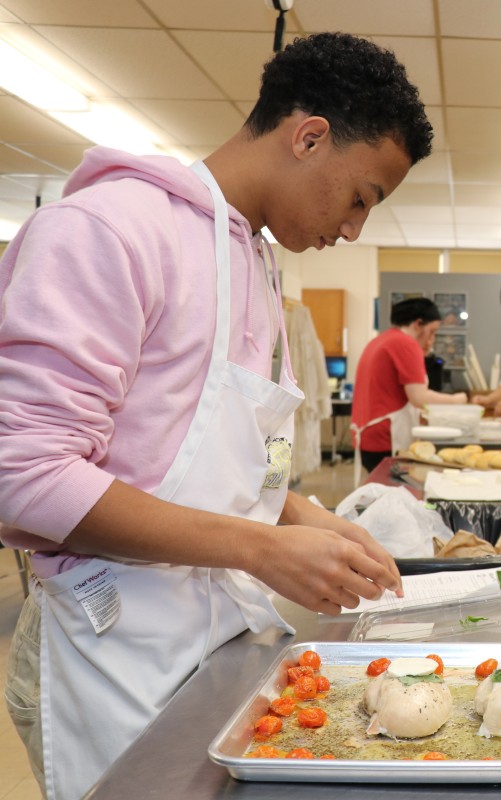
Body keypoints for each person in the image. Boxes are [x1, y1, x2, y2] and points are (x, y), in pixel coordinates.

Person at [0, 32, 428, 799]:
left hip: (208, 635)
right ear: (308, 137)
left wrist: (296, 514)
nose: (355, 227)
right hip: (103, 645)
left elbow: (210, 457)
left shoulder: (254, 266)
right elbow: (23, 476)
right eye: (361, 196)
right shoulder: (108, 230)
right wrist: (260, 547)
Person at [350, 297, 467, 478]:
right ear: (418, 324)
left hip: (368, 437)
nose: (432, 339)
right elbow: (419, 397)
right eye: (432, 332)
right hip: (385, 438)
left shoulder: (382, 340)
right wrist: (457, 400)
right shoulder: (405, 343)